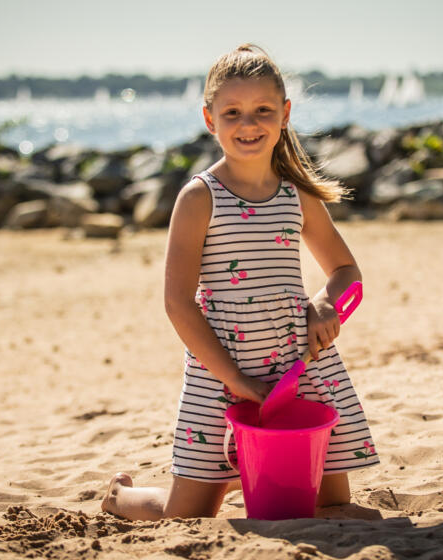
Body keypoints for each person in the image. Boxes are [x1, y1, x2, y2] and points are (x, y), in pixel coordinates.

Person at [101, 44, 379, 520]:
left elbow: (345, 271)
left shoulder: (298, 196)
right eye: (232, 112)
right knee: (184, 517)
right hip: (222, 370)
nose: (248, 124)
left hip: (299, 367)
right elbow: (177, 303)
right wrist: (233, 378)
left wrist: (325, 304)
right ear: (210, 120)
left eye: (263, 111)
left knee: (331, 503)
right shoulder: (199, 197)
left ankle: (247, 475)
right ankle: (119, 496)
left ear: (285, 114)